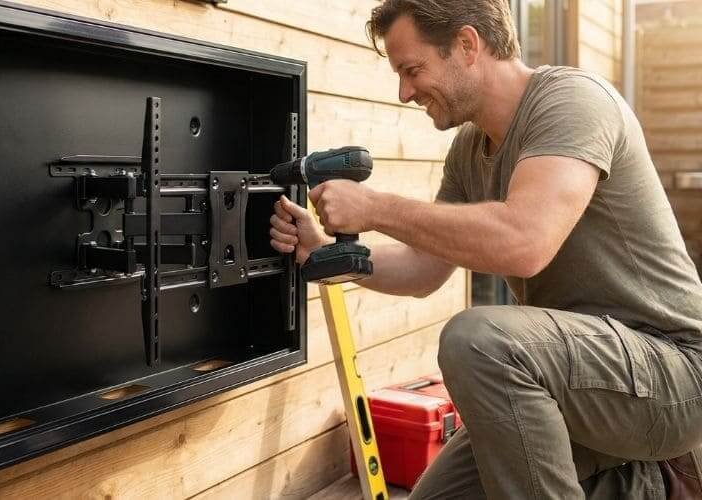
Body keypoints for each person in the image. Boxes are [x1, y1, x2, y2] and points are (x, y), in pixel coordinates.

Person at [268, 0, 702, 498]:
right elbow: (422, 269)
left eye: (412, 70)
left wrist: (376, 208)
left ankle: (649, 477)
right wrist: (323, 251)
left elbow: (525, 241)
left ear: (468, 46)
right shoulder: (471, 150)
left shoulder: (572, 102)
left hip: (674, 376)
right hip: (575, 384)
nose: (405, 92)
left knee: (479, 340)